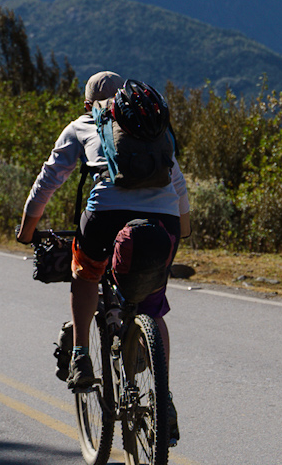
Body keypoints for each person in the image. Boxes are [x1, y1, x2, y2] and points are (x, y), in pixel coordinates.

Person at [16, 70, 187, 443]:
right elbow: (177, 181)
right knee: (153, 308)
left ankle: (80, 354)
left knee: (85, 272)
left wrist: (28, 229)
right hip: (165, 220)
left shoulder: (82, 124)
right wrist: (182, 228)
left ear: (88, 103)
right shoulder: (153, 123)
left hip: (106, 215)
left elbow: (50, 177)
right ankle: (165, 401)